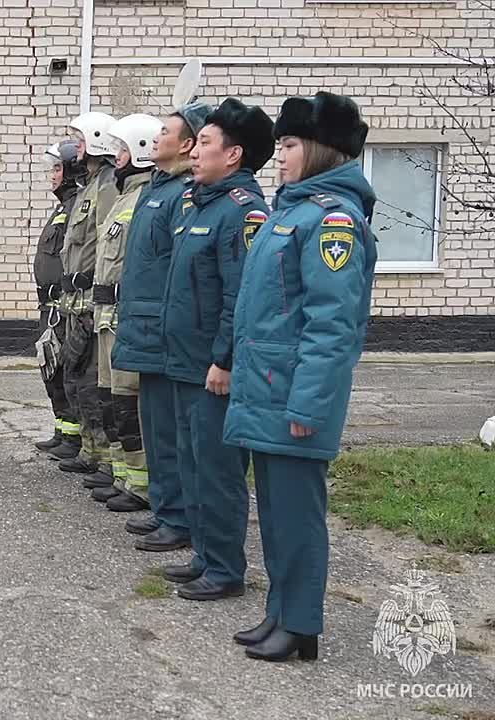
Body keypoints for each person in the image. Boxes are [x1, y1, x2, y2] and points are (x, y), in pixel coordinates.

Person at [224, 92, 376, 662]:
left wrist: (309, 407)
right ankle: (280, 612)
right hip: (266, 388)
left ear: (317, 150)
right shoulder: (291, 212)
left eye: (288, 145)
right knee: (276, 515)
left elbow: (333, 328)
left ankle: (303, 622)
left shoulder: (333, 222)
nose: (279, 156)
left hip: (292, 397)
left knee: (297, 515)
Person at [160, 98, 274, 602]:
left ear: (234, 155)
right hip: (184, 362)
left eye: (205, 143)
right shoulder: (199, 206)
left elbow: (240, 295)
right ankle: (205, 555)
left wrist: (223, 359)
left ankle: (227, 568)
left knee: (219, 470)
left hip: (212, 368)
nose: (195, 150)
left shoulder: (242, 213)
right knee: (193, 463)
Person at [112, 102, 212, 551]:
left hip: (166, 330)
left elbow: (180, 267)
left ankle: (182, 519)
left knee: (174, 432)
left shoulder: (184, 194)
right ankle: (166, 509)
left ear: (187, 145)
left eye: (165, 132)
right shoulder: (157, 188)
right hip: (144, 326)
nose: (156, 138)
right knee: (155, 428)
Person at [88, 113, 163, 513]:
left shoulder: (146, 200)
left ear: (140, 151)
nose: (115, 156)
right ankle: (123, 475)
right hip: (106, 314)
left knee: (129, 401)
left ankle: (142, 486)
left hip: (124, 314)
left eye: (121, 149)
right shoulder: (123, 198)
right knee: (110, 399)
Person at [57, 112, 119, 491]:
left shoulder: (107, 186)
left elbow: (105, 247)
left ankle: (107, 461)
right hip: (75, 302)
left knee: (94, 382)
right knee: (78, 378)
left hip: (92, 302)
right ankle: (91, 452)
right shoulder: (91, 186)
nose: (75, 148)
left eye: (80, 141)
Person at [33, 140, 86, 461]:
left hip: (64, 306)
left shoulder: (78, 205)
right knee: (51, 371)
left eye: (57, 168)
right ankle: (63, 430)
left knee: (68, 371)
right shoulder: (62, 206)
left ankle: (75, 438)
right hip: (49, 306)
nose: (52, 175)